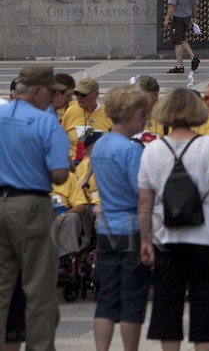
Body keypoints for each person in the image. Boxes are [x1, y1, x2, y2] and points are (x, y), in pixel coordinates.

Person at [138, 87, 209, 351]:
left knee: (168, 303)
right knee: (206, 302)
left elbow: (145, 200)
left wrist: (145, 239)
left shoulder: (153, 149)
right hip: (206, 235)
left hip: (166, 236)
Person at [0, 65, 71, 351]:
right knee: (39, 290)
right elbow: (60, 174)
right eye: (51, 92)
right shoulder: (46, 122)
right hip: (30, 204)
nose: (53, 97)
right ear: (38, 91)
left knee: (3, 289)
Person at [91, 85, 152, 351]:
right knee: (132, 298)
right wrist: (148, 237)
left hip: (106, 227)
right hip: (131, 228)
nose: (145, 119)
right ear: (128, 114)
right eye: (142, 114)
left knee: (106, 297)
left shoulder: (100, 145)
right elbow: (142, 196)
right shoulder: (131, 150)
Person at [164, 0, 199, 75]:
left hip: (178, 17)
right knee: (182, 39)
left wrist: (167, 19)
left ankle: (179, 65)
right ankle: (193, 57)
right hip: (187, 17)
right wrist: (194, 17)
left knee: (177, 42)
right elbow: (194, 4)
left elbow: (172, 5)